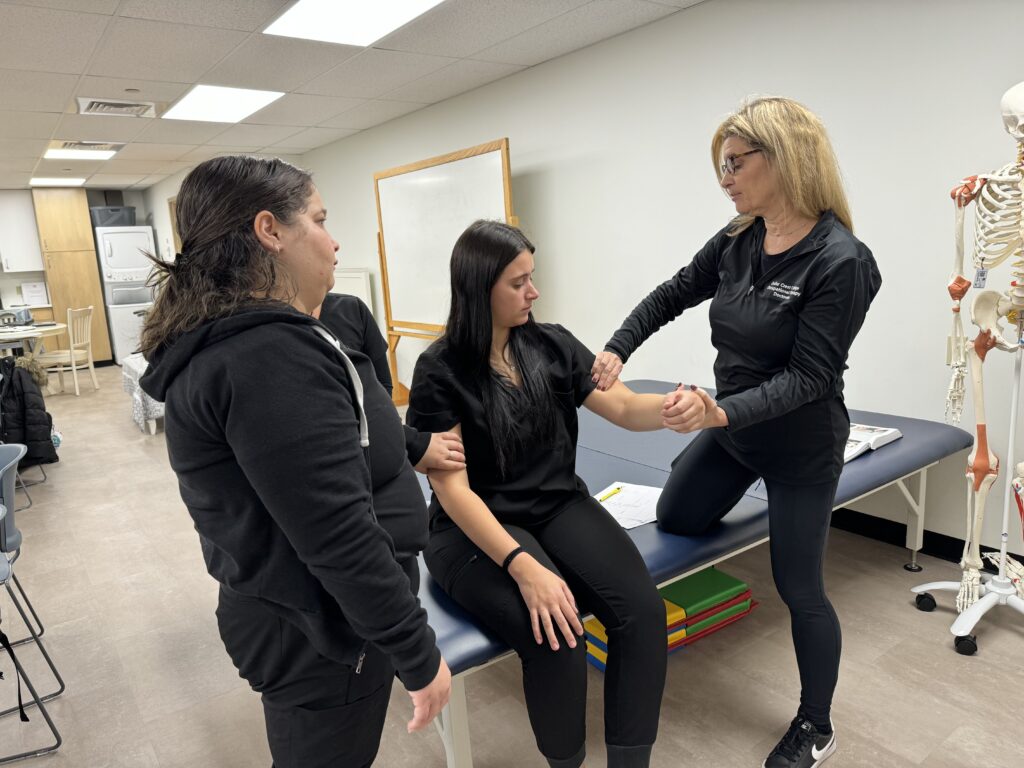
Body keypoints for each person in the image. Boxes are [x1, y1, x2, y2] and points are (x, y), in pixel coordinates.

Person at [591, 97, 882, 768]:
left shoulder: (841, 259)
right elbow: (673, 292)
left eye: (735, 162)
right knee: (677, 515)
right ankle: (743, 489)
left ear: (783, 158)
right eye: (721, 165)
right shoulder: (737, 238)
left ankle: (816, 723)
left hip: (799, 447)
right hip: (735, 431)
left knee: (799, 586)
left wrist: (719, 411)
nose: (725, 177)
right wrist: (617, 348)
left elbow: (811, 377)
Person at [138, 155, 450, 768]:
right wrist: (417, 650)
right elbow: (338, 535)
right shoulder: (267, 356)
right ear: (269, 231)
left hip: (295, 615)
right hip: (317, 629)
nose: (335, 242)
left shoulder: (242, 340)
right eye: (319, 220)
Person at [407, 220, 695, 768]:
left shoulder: (551, 344)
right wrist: (524, 567)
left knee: (642, 612)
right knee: (557, 634)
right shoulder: (440, 369)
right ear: (478, 286)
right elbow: (454, 489)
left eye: (531, 278)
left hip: (558, 503)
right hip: (472, 526)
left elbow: (625, 407)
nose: (533, 292)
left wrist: (674, 409)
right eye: (518, 283)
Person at [314, 292, 465, 475]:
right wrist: (412, 442)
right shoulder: (436, 366)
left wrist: (404, 439)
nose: (336, 261)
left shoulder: (351, 309)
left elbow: (381, 388)